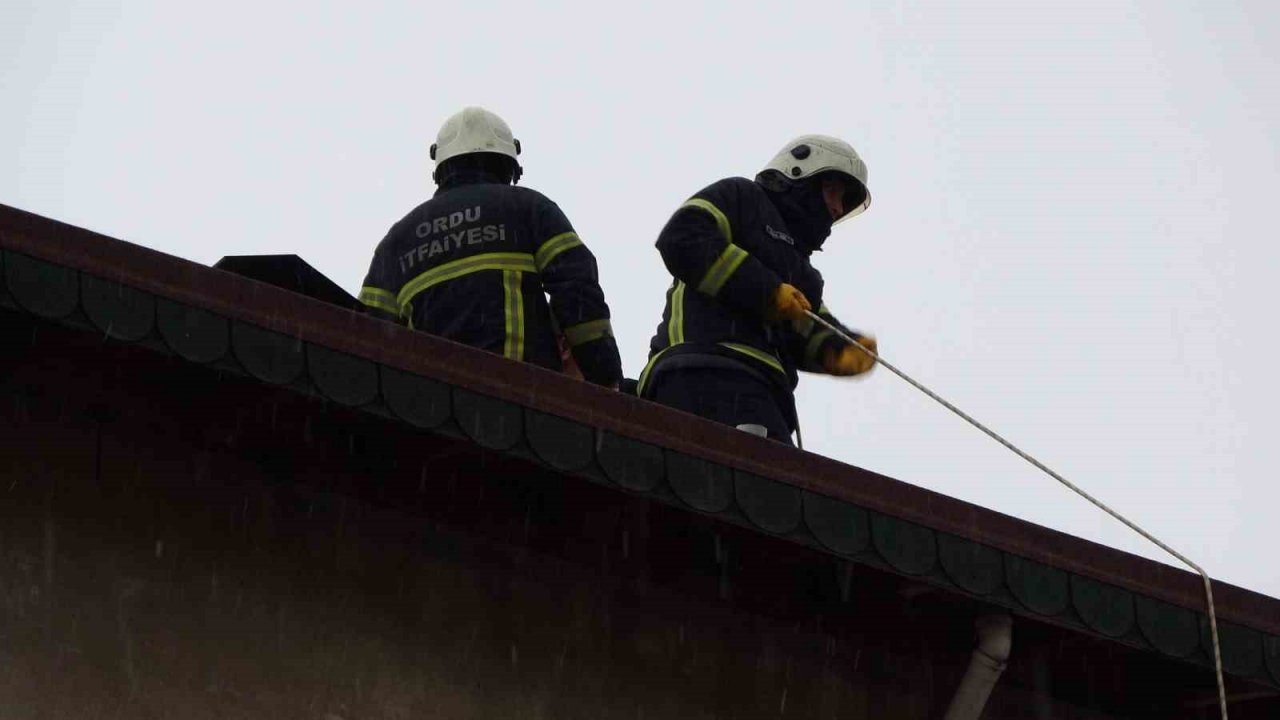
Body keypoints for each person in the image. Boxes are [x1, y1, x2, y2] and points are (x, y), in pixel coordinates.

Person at [638, 135, 879, 444]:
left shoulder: (805, 275)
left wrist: (845, 349)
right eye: (832, 191)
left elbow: (810, 325)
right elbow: (684, 237)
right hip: (702, 371)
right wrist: (767, 293)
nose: (836, 208)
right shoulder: (741, 198)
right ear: (798, 172)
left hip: (766, 396)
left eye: (844, 201)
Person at [358, 107, 622, 388]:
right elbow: (578, 294)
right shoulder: (529, 209)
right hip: (520, 402)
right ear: (509, 166)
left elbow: (366, 336)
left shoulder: (397, 242)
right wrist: (604, 377)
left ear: (441, 170)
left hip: (429, 409)